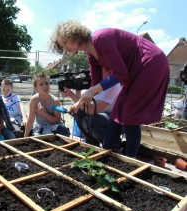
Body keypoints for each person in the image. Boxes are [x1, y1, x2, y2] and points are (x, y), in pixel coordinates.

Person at [49, 20, 169, 157]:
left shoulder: (101, 38)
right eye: (61, 46)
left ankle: (131, 162)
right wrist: (78, 103)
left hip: (150, 63)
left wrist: (93, 90)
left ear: (73, 34)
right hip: (134, 72)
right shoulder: (91, 55)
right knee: (117, 112)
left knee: (130, 116)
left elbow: (120, 73)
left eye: (65, 42)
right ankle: (106, 153)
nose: (65, 48)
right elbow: (96, 84)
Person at [61, 67, 121, 146]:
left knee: (92, 119)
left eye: (97, 71)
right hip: (104, 118)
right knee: (79, 112)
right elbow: (82, 105)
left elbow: (93, 109)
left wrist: (71, 95)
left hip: (118, 122)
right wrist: (76, 89)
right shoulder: (94, 83)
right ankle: (91, 142)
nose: (92, 74)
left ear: (109, 72)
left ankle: (114, 144)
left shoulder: (113, 85)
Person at [24, 73, 70, 137]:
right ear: (36, 88)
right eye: (41, 84)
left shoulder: (55, 100)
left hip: (53, 126)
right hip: (40, 126)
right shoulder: (34, 100)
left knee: (65, 133)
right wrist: (25, 137)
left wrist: (44, 113)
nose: (45, 86)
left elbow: (57, 121)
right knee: (38, 141)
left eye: (46, 83)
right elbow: (31, 119)